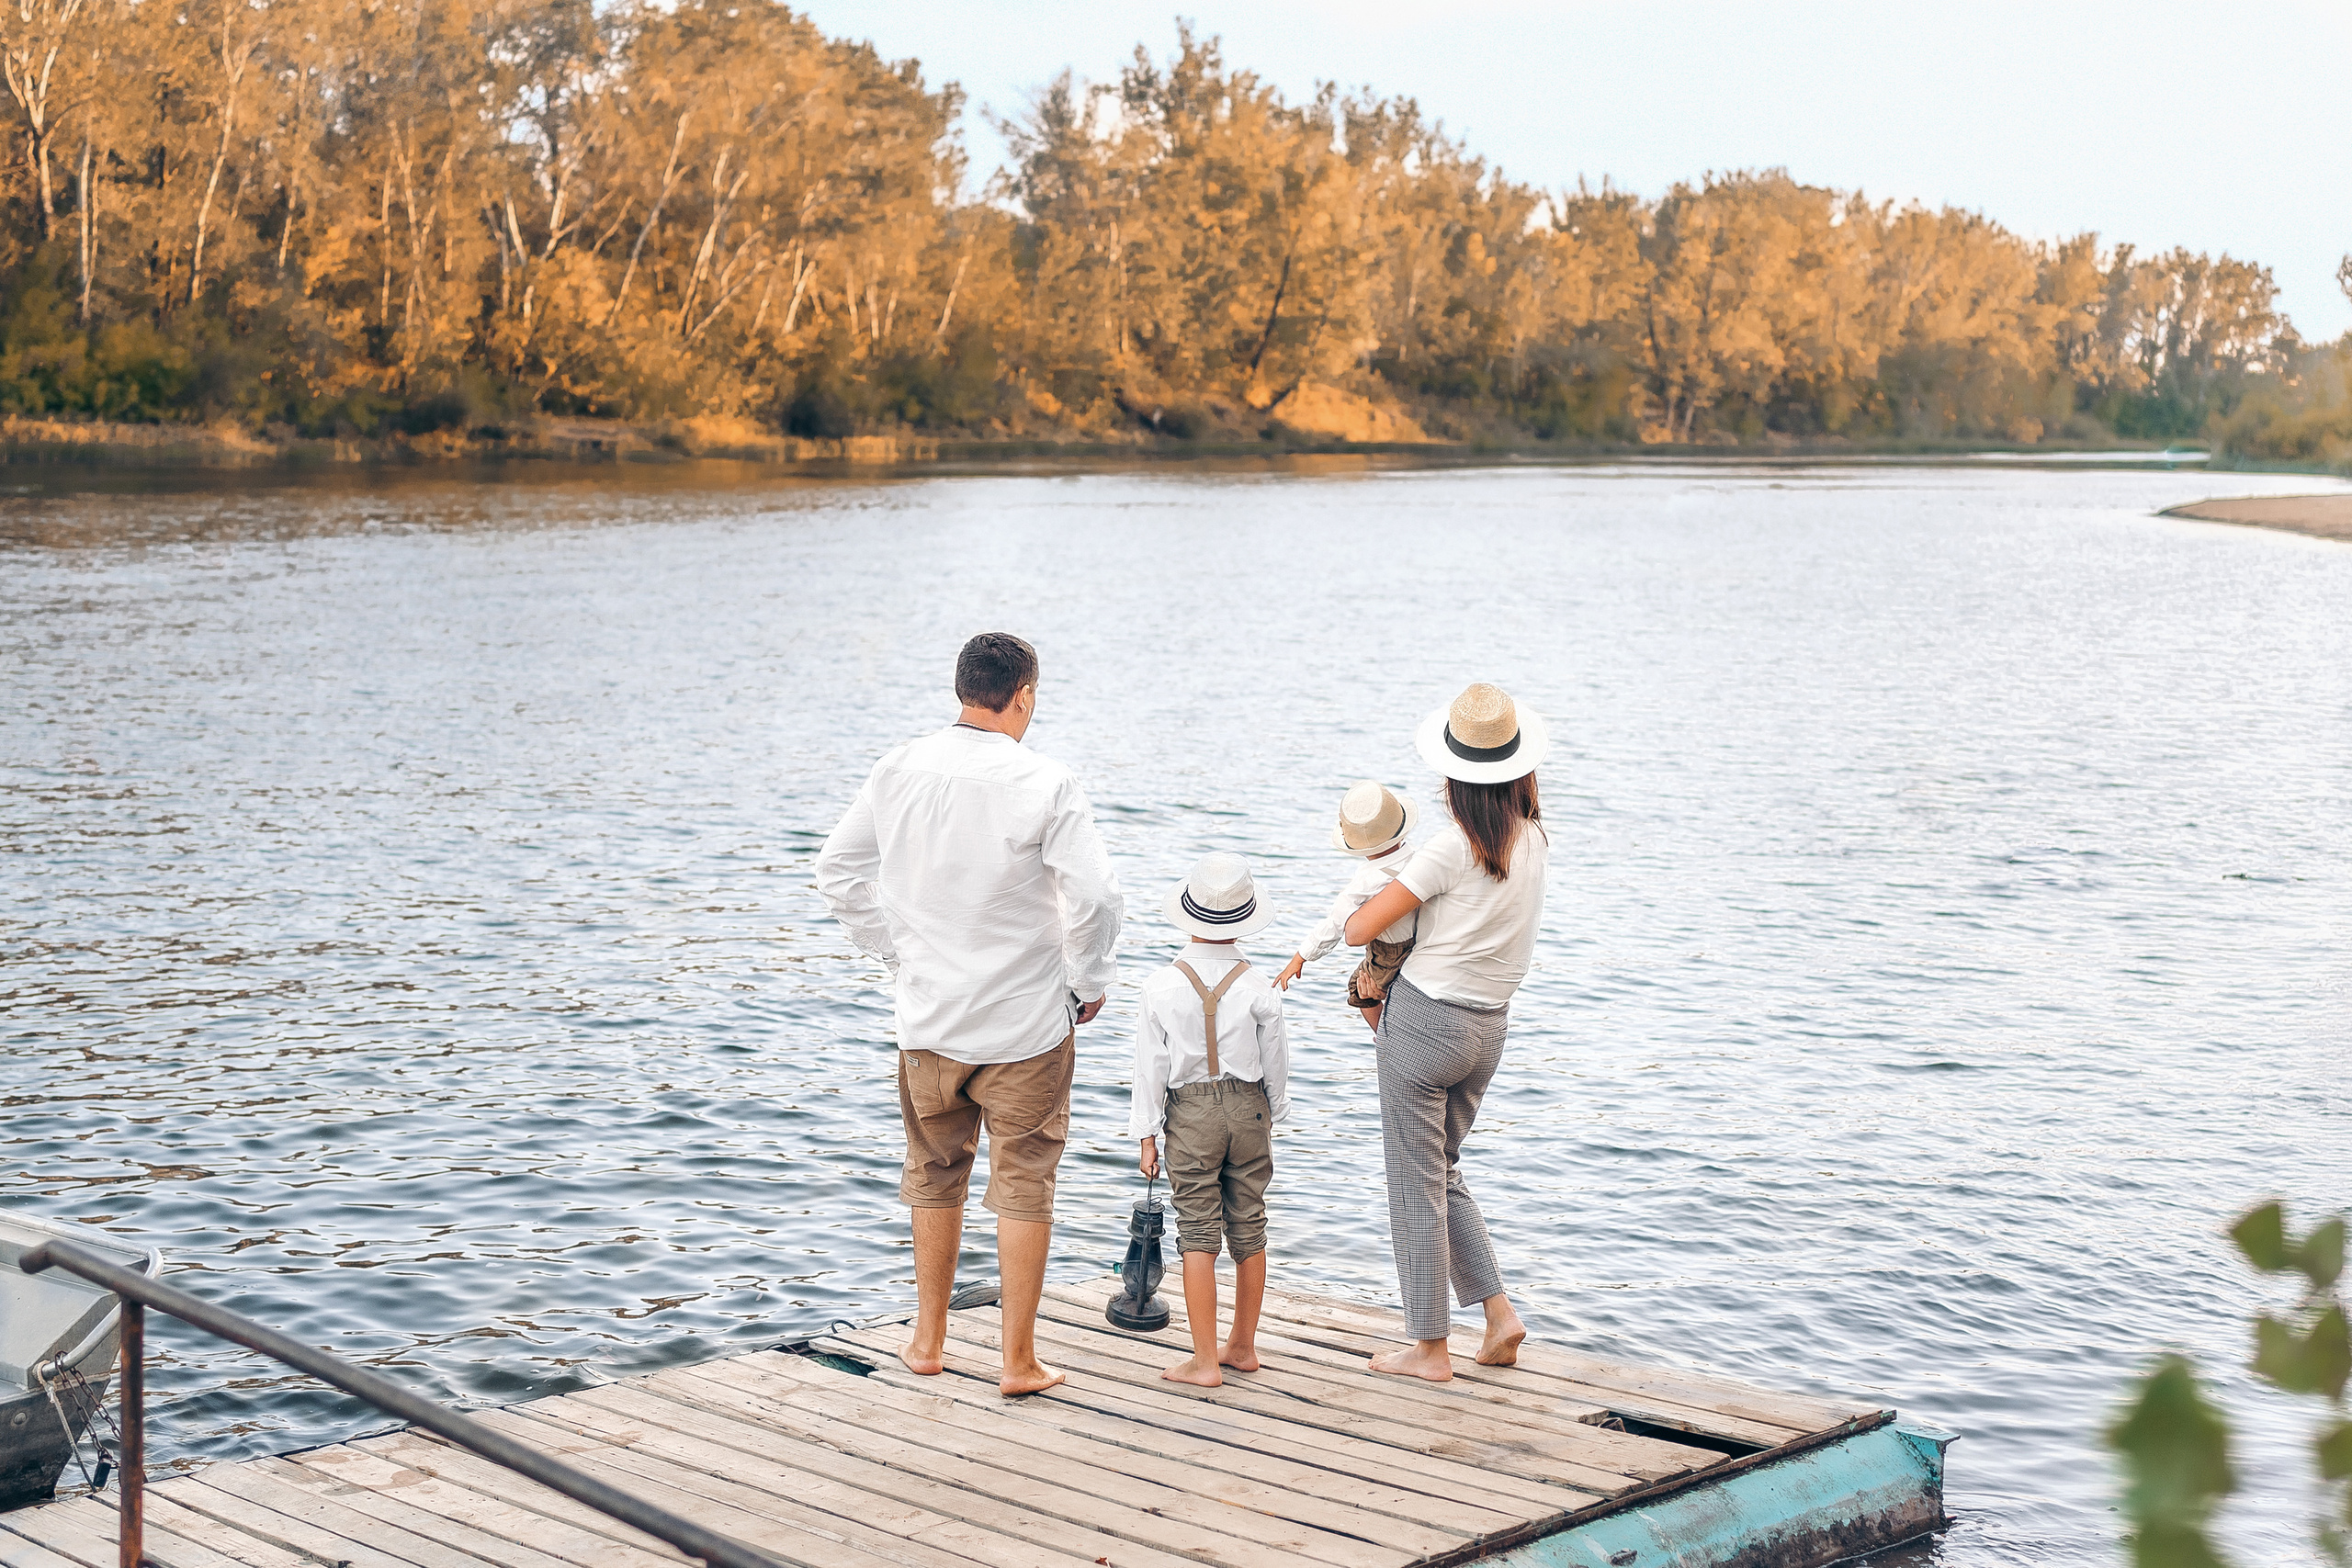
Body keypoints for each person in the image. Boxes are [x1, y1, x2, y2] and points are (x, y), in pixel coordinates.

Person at [813, 632, 1124, 1395]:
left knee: (932, 1173)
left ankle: (927, 1340)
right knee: (1024, 1182)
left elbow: (837, 871)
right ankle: (1018, 1361)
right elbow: (1097, 897)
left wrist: (896, 952)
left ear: (962, 689)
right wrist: (1086, 982)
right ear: (1023, 694)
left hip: (929, 1022)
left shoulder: (897, 767)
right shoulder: (1047, 781)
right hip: (1025, 1025)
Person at [1341, 682, 1549, 1382]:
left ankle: (1429, 1347)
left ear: (1455, 776)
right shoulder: (1534, 840)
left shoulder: (1450, 846)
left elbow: (1359, 929)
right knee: (1442, 1170)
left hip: (1425, 1024)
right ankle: (1498, 1316)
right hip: (1488, 1030)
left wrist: (1364, 898)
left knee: (1413, 1180)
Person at [1131, 852, 1289, 1387]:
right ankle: (1242, 1346)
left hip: (1191, 1112)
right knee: (1250, 1220)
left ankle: (1203, 1360)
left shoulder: (1161, 985)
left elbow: (1149, 1066)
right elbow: (1277, 1060)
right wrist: (1274, 1111)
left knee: (1197, 1228)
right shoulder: (1258, 984)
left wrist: (1147, 1134)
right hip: (1249, 1105)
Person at [1272, 780, 1421, 1031]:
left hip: (1389, 952)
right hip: (1418, 943)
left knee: (1358, 989)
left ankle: (1383, 1039)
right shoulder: (1419, 860)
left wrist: (1301, 957)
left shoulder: (1367, 879)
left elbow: (1336, 923)